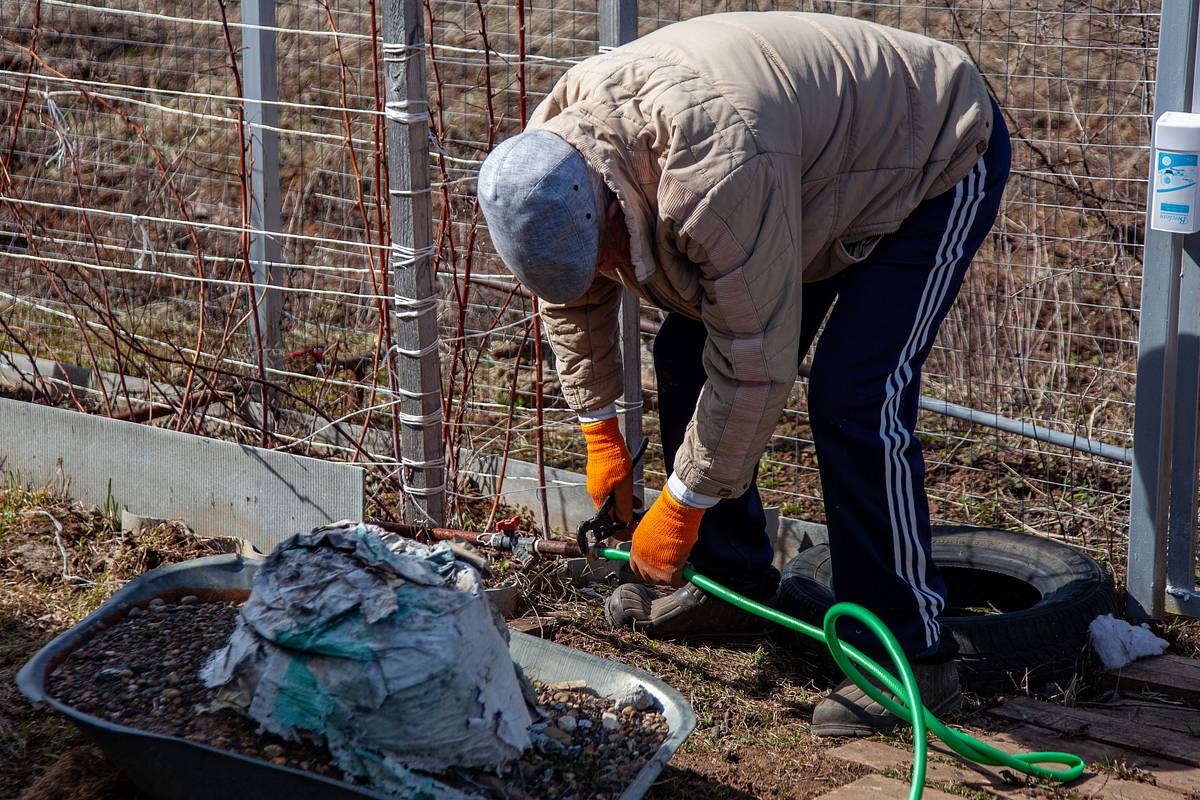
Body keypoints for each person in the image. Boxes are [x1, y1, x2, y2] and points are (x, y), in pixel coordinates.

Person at [476, 10, 1011, 737]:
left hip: (928, 151)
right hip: (804, 171)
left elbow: (754, 365)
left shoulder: (712, 180)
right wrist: (601, 431)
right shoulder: (549, 159)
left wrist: (682, 505)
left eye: (604, 255)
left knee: (856, 395)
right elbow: (573, 295)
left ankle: (912, 657)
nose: (606, 272)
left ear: (609, 208)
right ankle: (731, 581)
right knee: (683, 354)